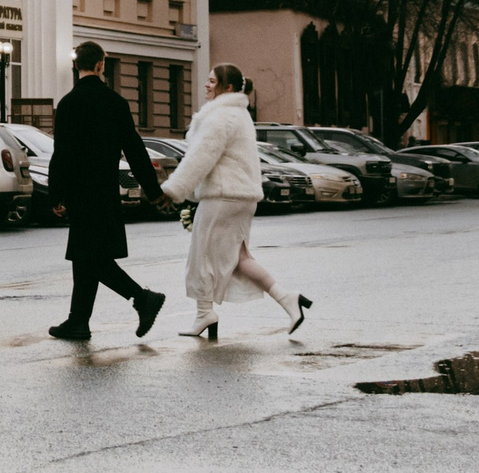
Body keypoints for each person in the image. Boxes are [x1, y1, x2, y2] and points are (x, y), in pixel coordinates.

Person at [162, 64, 312, 340]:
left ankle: (204, 314)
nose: (206, 85)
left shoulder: (221, 116)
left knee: (203, 256)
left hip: (224, 196)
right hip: (241, 196)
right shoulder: (239, 114)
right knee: (239, 258)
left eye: (211, 81)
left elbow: (201, 157)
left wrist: (173, 189)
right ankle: (289, 299)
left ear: (227, 87)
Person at [46, 41, 168, 341]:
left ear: (77, 65)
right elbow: (135, 149)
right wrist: (153, 190)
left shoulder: (68, 104)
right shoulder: (115, 102)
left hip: (79, 192)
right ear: (102, 65)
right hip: (104, 190)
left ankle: (142, 299)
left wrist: (55, 193)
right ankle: (78, 321)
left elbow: (61, 153)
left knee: (89, 256)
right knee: (85, 255)